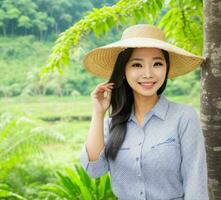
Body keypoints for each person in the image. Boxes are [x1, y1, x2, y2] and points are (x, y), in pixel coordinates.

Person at [79, 24, 209, 200]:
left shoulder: (184, 117)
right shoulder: (112, 124)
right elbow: (94, 170)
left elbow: (196, 183)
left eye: (157, 63)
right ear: (124, 70)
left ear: (166, 68)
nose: (148, 74)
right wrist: (98, 113)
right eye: (137, 65)